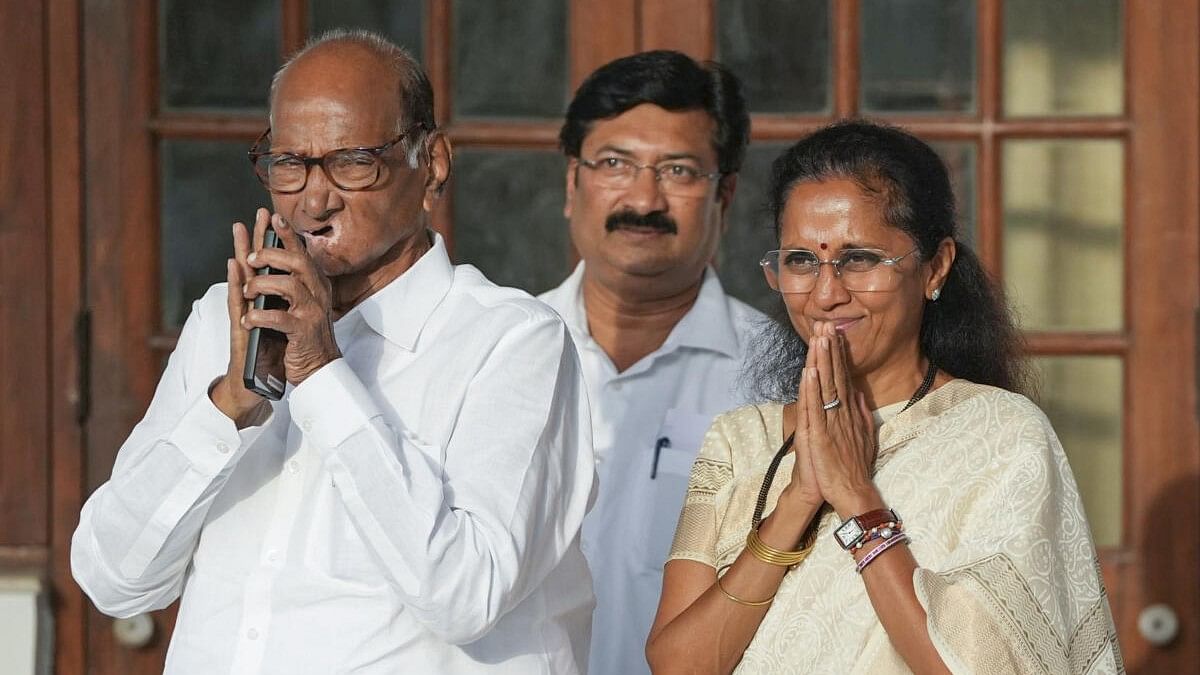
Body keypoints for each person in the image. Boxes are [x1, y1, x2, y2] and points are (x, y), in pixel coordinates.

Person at [72, 30, 595, 674]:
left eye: (352, 161)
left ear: (432, 163)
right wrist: (228, 404)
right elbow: (114, 580)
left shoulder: (512, 341)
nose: (313, 200)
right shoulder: (224, 319)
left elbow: (467, 595)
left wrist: (321, 373)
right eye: (289, 163)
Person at [646, 120, 1123, 673]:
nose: (826, 293)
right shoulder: (739, 442)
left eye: (859, 259)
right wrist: (798, 499)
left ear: (935, 268)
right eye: (801, 260)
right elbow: (677, 665)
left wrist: (856, 498)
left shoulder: (1000, 436)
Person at [538, 50, 764, 675]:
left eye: (679, 170)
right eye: (614, 163)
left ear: (726, 195)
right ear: (571, 184)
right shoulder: (500, 353)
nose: (643, 198)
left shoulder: (774, 378)